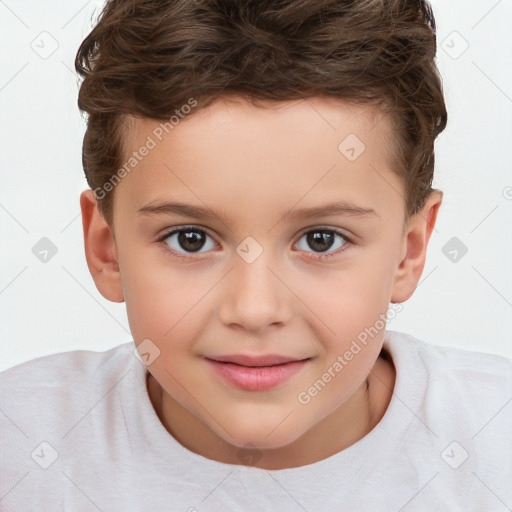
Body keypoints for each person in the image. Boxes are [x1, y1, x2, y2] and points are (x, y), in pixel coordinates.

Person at [1, 0, 510, 510]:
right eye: (191, 239)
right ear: (106, 250)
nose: (254, 309)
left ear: (409, 251)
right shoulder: (19, 444)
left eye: (321, 240)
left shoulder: (495, 445)